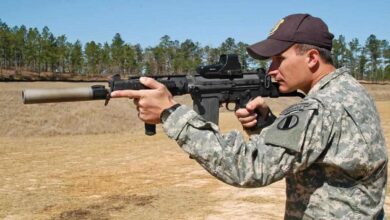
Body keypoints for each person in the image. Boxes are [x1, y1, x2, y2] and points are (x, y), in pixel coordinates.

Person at [111, 13, 387, 219]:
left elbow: (249, 167)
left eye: (279, 59)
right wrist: (268, 125)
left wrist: (171, 114)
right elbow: (322, 153)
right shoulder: (350, 91)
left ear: (312, 58)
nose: (271, 70)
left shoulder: (319, 108)